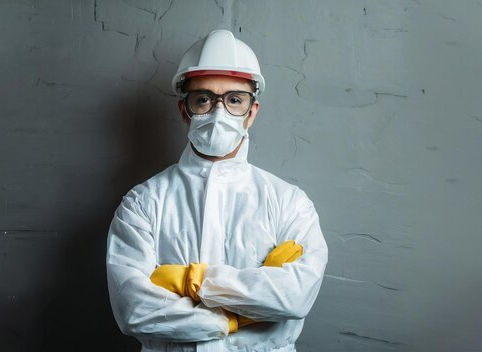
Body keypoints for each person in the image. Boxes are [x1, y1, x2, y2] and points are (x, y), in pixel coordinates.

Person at [106, 29, 328, 352]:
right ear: (185, 110)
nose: (219, 112)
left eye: (234, 100)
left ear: (251, 113)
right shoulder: (141, 205)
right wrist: (239, 316)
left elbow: (296, 295)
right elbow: (133, 310)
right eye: (204, 99)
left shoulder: (290, 205)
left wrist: (192, 282)